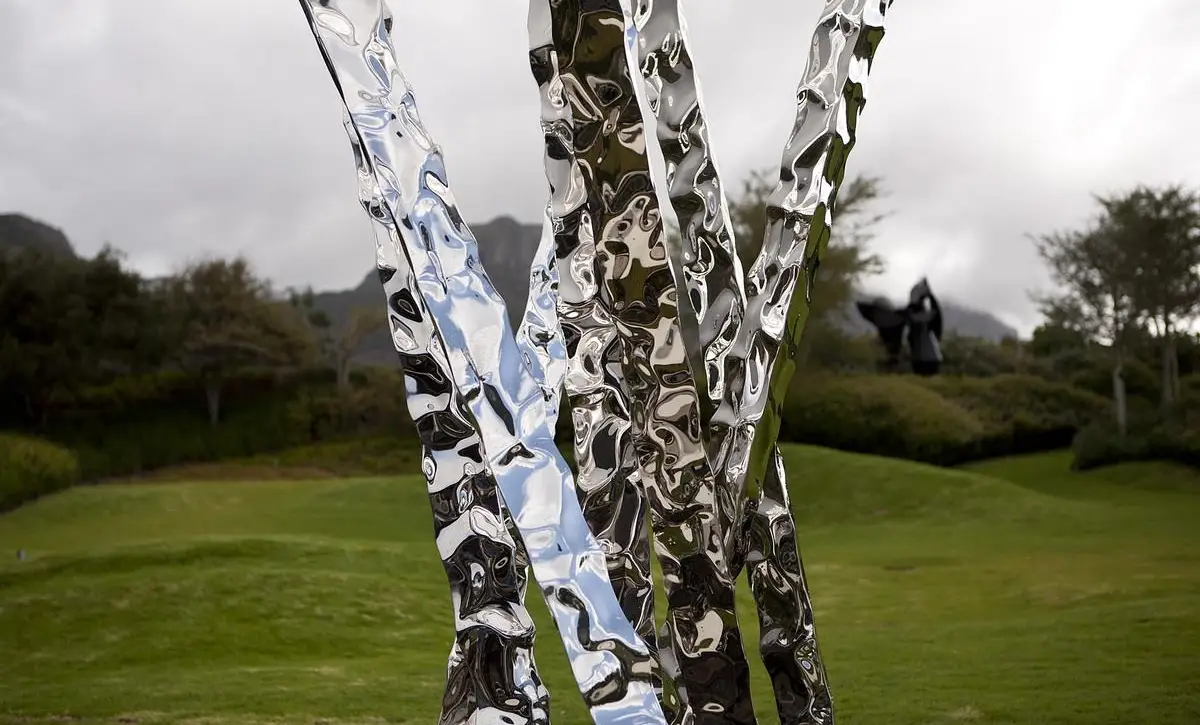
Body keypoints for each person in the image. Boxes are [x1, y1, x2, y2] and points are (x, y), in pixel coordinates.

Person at [905, 277, 943, 376]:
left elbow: (935, 313)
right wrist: (930, 295)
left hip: (925, 360)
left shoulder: (917, 317)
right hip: (928, 359)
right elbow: (936, 313)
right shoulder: (920, 317)